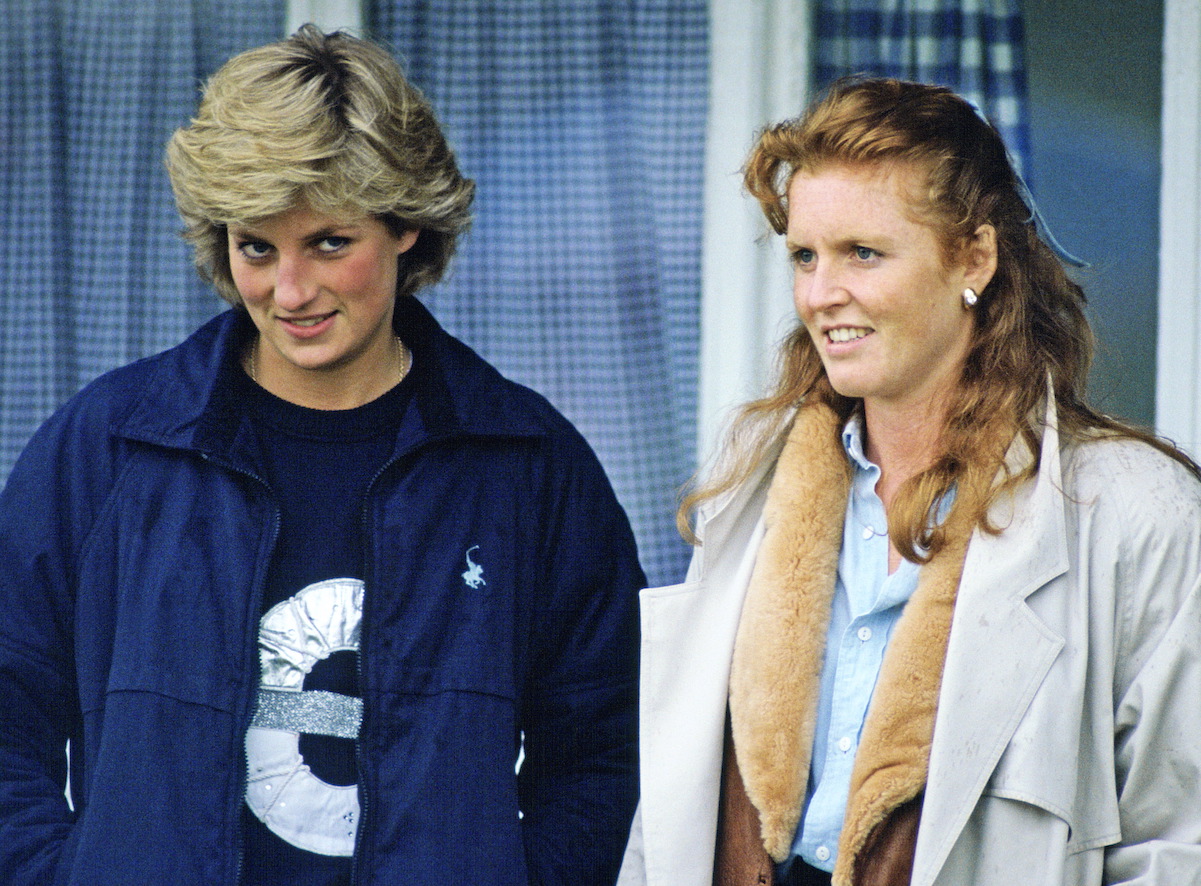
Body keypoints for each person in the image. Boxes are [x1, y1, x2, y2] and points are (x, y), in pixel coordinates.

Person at [0, 26, 642, 886]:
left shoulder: (527, 466)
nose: (290, 291)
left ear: (406, 227)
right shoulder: (107, 450)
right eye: (256, 247)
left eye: (329, 243)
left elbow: (607, 750)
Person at [619, 77, 1201, 886]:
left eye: (863, 252)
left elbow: (1179, 846)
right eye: (803, 256)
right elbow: (673, 816)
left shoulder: (1135, 510)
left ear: (973, 257)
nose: (821, 295)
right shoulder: (750, 485)